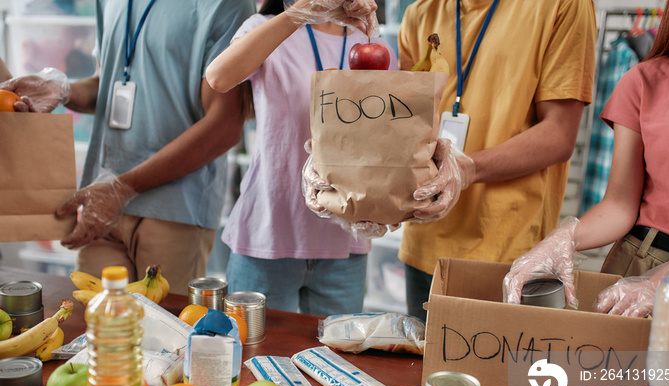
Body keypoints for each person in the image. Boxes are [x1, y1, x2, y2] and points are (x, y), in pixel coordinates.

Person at [306, 0, 595, 321]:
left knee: (498, 370)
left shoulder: (563, 6)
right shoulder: (420, 13)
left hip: (510, 253)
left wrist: (466, 168)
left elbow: (558, 134)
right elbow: (402, 127)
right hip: (423, 242)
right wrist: (353, 179)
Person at [1, 0, 256, 295]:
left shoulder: (226, 5)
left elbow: (224, 128)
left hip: (173, 209)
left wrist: (122, 189)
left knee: (163, 333)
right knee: (96, 328)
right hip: (101, 199)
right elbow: (110, 84)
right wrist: (63, 90)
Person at [504, 0, 669, 319]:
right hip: (640, 266)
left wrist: (668, 281)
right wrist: (565, 237)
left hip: (668, 278)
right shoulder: (644, 81)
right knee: (621, 370)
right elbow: (620, 204)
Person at [205, 0, 398, 316]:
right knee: (253, 359)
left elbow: (386, 139)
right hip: (267, 236)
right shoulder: (266, 30)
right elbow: (219, 77)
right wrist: (299, 14)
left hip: (344, 244)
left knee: (336, 362)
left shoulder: (372, 45)